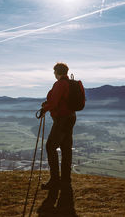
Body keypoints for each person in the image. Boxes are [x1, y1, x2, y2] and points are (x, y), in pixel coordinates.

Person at [40, 62, 76, 190]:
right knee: (66, 148)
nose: (54, 74)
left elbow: (54, 103)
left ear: (57, 72)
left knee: (50, 146)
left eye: (54, 72)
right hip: (71, 117)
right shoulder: (71, 83)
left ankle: (55, 181)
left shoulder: (60, 84)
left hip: (62, 119)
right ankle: (66, 180)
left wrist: (45, 108)